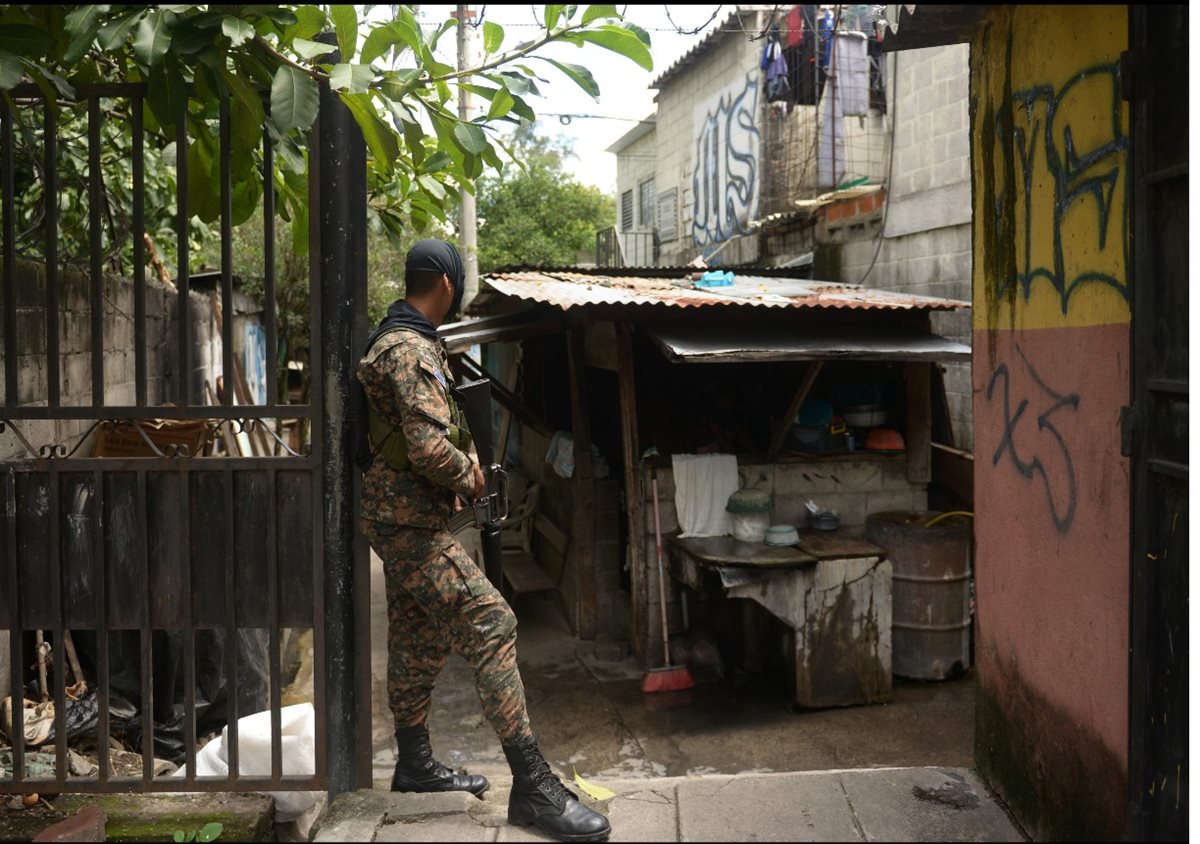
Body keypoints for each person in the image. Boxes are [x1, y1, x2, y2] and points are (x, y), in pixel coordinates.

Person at [356, 239, 611, 843]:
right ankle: (533, 788)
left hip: (404, 520)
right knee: (493, 620)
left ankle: (415, 765)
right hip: (408, 525)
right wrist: (470, 474)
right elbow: (425, 447)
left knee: (418, 635)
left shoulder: (395, 339)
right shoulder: (410, 348)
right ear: (446, 282)